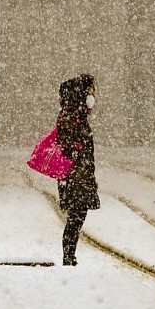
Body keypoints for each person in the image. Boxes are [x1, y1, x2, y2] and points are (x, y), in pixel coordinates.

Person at [56, 74, 100, 266]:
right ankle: (68, 257)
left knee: (77, 216)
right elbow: (67, 147)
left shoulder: (77, 116)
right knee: (76, 216)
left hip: (80, 175)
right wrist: (78, 166)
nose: (93, 96)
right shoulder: (71, 117)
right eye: (90, 91)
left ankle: (70, 255)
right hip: (75, 176)